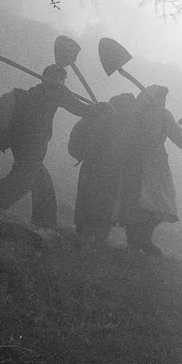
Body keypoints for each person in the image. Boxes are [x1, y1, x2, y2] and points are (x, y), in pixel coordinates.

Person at [0, 64, 92, 230]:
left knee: (40, 180)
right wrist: (101, 108)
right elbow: (80, 109)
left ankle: (44, 222)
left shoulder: (38, 90)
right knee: (23, 179)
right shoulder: (55, 91)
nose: (63, 83)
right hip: (32, 144)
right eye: (62, 80)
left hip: (23, 142)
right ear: (57, 79)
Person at [116, 84, 182, 258]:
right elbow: (179, 139)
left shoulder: (136, 113)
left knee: (139, 201)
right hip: (153, 164)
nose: (164, 101)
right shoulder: (162, 115)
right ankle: (141, 241)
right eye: (162, 98)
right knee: (157, 202)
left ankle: (138, 241)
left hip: (134, 161)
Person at [69, 92, 136, 248]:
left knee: (89, 201)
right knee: (103, 205)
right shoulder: (116, 121)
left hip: (92, 166)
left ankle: (85, 237)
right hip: (107, 169)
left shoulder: (100, 115)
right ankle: (95, 241)